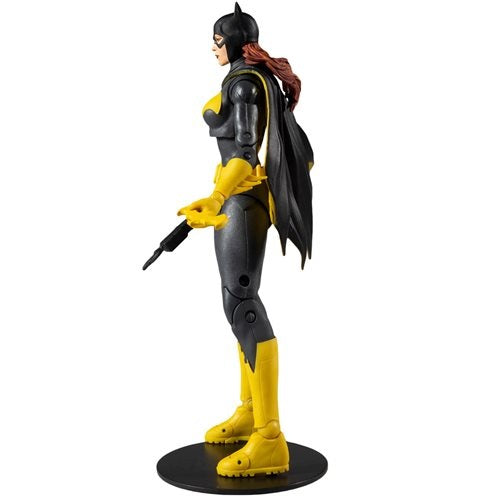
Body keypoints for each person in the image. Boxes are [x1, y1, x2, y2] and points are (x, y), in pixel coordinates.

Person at [177, 2, 314, 477]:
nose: (213, 48)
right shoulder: (252, 78)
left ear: (233, 42)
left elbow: (247, 154)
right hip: (237, 198)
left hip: (243, 200)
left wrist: (218, 197)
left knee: (243, 306)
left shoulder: (243, 84)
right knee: (237, 305)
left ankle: (270, 437)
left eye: (217, 41)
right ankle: (251, 410)